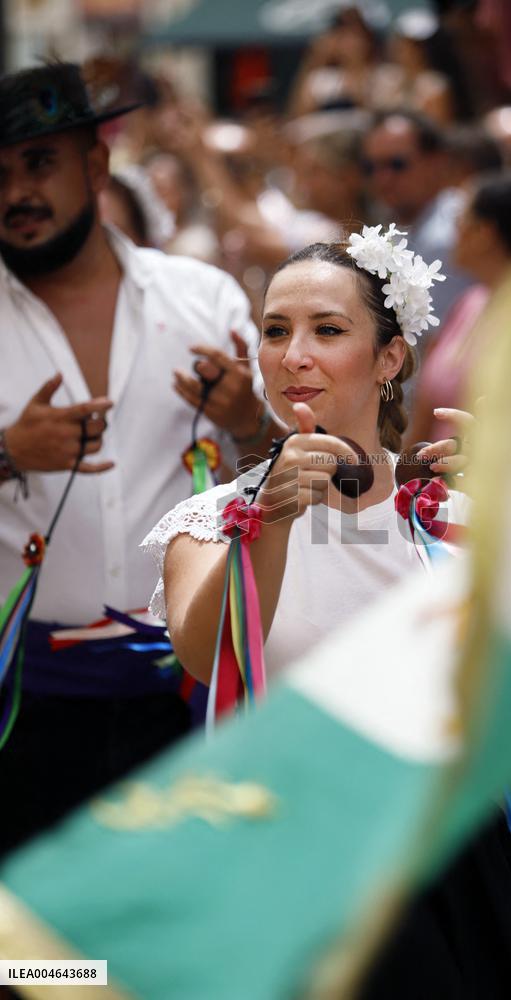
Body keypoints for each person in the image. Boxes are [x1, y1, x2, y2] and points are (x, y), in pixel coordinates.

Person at [143, 231, 511, 997]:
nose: (294, 355)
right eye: (275, 331)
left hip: (449, 871)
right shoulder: (211, 521)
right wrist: (268, 522)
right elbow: (207, 656)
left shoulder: (450, 518)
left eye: (328, 330)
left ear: (389, 358)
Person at [0, 62, 274, 857]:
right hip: (23, 709)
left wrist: (247, 420)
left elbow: (272, 476)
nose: (17, 193)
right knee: (34, 928)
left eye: (39, 164)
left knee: (178, 913)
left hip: (180, 701)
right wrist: (9, 452)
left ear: (96, 165)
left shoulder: (202, 299)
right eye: (0, 174)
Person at [408, 171, 511, 446]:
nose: (452, 232)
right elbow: (425, 416)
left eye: (459, 219)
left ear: (483, 233)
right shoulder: (470, 302)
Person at [362, 112, 502, 331]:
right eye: (371, 167)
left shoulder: (458, 229)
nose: (382, 178)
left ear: (437, 161)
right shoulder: (393, 230)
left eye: (397, 164)